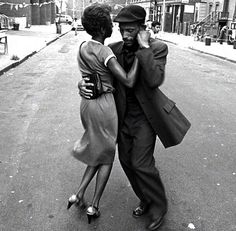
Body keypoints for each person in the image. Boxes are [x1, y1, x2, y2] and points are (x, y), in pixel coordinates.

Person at [79, 4, 190, 231]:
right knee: (127, 163)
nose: (125, 35)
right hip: (119, 117)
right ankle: (145, 197)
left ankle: (159, 206)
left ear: (142, 28)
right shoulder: (112, 48)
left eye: (131, 30)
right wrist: (82, 85)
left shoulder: (158, 48)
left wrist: (144, 47)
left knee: (142, 163)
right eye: (122, 30)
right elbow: (96, 75)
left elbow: (154, 80)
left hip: (145, 118)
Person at [67, 3, 140, 225]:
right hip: (104, 106)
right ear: (102, 26)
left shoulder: (82, 46)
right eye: (109, 20)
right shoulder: (104, 50)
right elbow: (127, 80)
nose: (112, 24)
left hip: (87, 104)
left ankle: (78, 194)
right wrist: (141, 54)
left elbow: (88, 75)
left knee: (98, 150)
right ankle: (94, 205)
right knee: (107, 156)